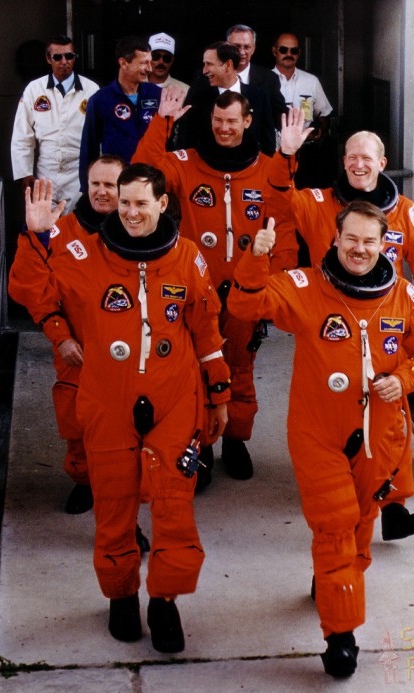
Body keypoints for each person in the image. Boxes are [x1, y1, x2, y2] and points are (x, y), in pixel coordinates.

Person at [228, 201, 414, 678]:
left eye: (370, 241)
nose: (360, 249)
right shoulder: (306, 286)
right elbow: (244, 304)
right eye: (351, 239)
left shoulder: (404, 296)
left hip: (379, 438)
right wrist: (255, 256)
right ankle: (340, 636)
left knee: (360, 527)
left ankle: (331, 583)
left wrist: (407, 377)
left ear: (384, 244)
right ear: (335, 238)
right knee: (336, 525)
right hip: (318, 434)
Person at [26, 163, 230, 651]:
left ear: (163, 204)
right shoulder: (83, 255)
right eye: (124, 203)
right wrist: (34, 238)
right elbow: (32, 288)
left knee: (173, 506)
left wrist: (219, 394)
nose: (131, 212)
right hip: (107, 400)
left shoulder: (186, 259)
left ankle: (165, 602)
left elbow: (207, 332)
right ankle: (121, 597)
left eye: (141, 203)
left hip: (175, 399)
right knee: (114, 503)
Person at [266, 110, 414, 539]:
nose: (359, 164)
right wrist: (285, 155)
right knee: (331, 411)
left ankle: (392, 505)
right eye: (352, 156)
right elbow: (276, 203)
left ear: (382, 163)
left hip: (388, 321)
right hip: (328, 321)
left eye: (367, 157)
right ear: (343, 161)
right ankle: (338, 490)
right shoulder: (316, 204)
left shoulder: (404, 210)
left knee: (392, 416)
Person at [133, 87, 297, 483]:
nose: (224, 129)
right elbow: (141, 175)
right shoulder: (185, 163)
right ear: (210, 121)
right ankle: (201, 445)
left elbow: (285, 224)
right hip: (195, 289)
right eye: (217, 121)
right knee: (195, 371)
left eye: (231, 121)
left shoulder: (266, 168)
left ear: (247, 121)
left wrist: (273, 290)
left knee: (240, 368)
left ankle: (236, 441)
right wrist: (161, 123)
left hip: (245, 290)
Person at [8, 155, 126, 516]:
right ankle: (85, 482)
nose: (102, 192)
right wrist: (60, 336)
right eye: (96, 184)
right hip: (78, 352)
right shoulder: (58, 232)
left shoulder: (143, 232)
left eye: (111, 185)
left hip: (129, 354)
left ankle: (125, 489)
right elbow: (28, 288)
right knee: (78, 426)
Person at [11, 34, 98, 215]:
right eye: (57, 57)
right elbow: (22, 135)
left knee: (76, 227)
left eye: (69, 56)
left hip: (78, 171)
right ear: (48, 59)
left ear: (75, 57)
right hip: (46, 170)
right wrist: (24, 173)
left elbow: (100, 136)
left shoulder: (91, 90)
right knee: (43, 227)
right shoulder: (34, 89)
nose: (64, 61)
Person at [79, 35, 161, 192]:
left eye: (150, 62)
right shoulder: (100, 100)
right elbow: (89, 149)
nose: (150, 69)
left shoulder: (158, 95)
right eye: (144, 63)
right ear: (124, 63)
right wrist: (86, 188)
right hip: (116, 183)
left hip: (151, 181)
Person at [177, 41, 276, 156]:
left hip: (249, 170)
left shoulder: (259, 96)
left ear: (228, 65)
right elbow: (187, 140)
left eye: (209, 64)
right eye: (204, 64)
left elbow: (268, 143)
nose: (204, 71)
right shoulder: (199, 98)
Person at [272, 32, 334, 188]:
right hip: (273, 153)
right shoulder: (264, 80)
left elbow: (324, 115)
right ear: (274, 51)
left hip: (306, 154)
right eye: (283, 50)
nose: (288, 54)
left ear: (299, 54)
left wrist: (320, 129)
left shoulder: (311, 81)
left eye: (293, 51)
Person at [226, 24, 286, 131]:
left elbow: (280, 117)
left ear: (253, 49)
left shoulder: (269, 79)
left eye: (247, 47)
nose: (242, 52)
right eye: (237, 47)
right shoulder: (209, 76)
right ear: (226, 47)